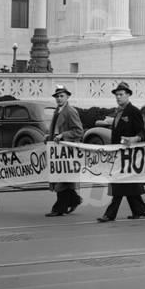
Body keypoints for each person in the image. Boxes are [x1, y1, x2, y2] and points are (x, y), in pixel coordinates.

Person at [97, 82, 145, 222]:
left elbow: (143, 131)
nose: (118, 97)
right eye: (116, 95)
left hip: (129, 154)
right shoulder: (118, 111)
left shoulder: (133, 111)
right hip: (119, 152)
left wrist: (135, 138)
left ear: (128, 95)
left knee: (119, 183)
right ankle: (141, 210)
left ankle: (110, 214)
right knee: (129, 183)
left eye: (121, 95)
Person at [45, 84, 84, 217]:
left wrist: (63, 135)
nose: (59, 99)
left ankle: (59, 208)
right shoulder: (58, 110)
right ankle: (74, 200)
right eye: (57, 96)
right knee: (63, 180)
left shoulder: (70, 111)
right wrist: (49, 137)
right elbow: (56, 129)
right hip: (58, 152)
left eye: (62, 96)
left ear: (67, 97)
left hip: (67, 153)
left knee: (62, 181)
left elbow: (78, 131)